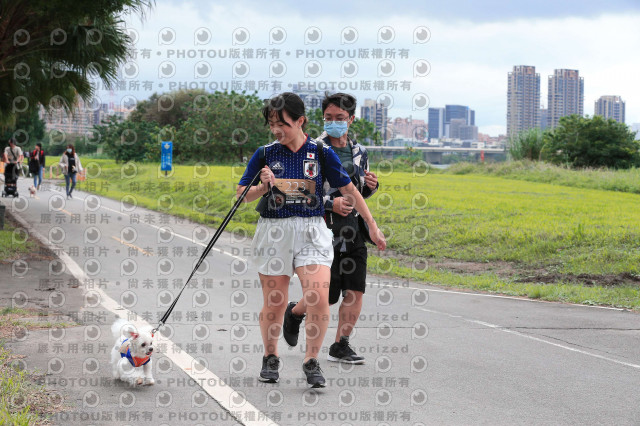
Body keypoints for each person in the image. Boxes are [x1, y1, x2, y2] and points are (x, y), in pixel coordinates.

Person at [236, 92, 386, 388]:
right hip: (275, 231)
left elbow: (350, 191)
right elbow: (242, 195)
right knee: (275, 302)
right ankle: (270, 356)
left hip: (312, 230)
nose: (276, 130)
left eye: (282, 124)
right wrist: (263, 187)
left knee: (318, 295)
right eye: (272, 124)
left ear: (300, 121)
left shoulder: (321, 152)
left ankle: (311, 360)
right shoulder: (265, 154)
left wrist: (372, 225)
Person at [283, 93, 379, 365]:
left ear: (351, 119)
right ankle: (295, 312)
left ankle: (340, 345)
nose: (334, 122)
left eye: (340, 118)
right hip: (322, 231)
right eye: (328, 117)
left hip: (353, 230)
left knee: (355, 290)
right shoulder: (312, 149)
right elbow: (298, 190)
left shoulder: (360, 152)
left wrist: (371, 188)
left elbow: (356, 192)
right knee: (325, 295)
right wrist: (330, 203)